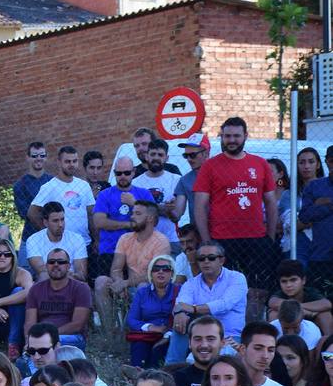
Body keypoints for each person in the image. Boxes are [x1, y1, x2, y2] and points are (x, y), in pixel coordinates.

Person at [194, 116, 281, 291]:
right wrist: (206, 241)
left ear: (245, 136)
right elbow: (200, 206)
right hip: (222, 239)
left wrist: (270, 237)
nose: (231, 140)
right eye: (227, 136)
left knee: (258, 289)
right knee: (224, 289)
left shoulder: (260, 164)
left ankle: (255, 319)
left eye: (236, 136)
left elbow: (271, 203)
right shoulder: (210, 166)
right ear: (221, 136)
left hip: (257, 238)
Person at [96, 201, 170, 318]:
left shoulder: (161, 242)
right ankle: (110, 333)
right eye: (132, 213)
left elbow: (154, 275)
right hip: (128, 287)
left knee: (143, 287)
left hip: (151, 289)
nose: (132, 216)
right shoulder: (125, 238)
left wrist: (125, 283)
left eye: (137, 213)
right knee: (101, 282)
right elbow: (116, 269)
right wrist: (119, 283)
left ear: (150, 218)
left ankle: (138, 331)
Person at [23, 247, 91, 349]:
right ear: (46, 266)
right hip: (41, 338)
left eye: (61, 262)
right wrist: (29, 340)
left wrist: (49, 336)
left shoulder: (81, 288)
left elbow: (78, 324)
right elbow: (29, 323)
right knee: (22, 363)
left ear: (68, 266)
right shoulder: (35, 289)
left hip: (71, 337)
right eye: (51, 262)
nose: (55, 265)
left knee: (47, 347)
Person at [28, 146, 95, 251]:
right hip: (60, 246)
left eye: (74, 161)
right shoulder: (49, 187)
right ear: (59, 162)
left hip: (84, 243)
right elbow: (32, 213)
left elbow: (91, 214)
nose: (71, 165)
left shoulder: (84, 186)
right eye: (67, 161)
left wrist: (96, 239)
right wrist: (48, 231)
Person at [124, 255, 178, 367]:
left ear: (172, 273)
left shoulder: (180, 290)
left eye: (166, 268)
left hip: (171, 334)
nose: (161, 272)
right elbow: (132, 319)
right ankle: (137, 377)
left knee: (158, 353)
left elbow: (185, 317)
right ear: (151, 273)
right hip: (148, 334)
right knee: (139, 350)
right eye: (156, 269)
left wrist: (167, 333)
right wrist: (150, 327)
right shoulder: (142, 293)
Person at [130, 137, 183, 245]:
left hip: (171, 241)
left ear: (166, 158)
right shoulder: (135, 183)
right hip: (144, 241)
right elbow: (137, 214)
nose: (156, 158)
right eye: (153, 154)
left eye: (160, 155)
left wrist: (147, 208)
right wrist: (163, 209)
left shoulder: (176, 180)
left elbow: (176, 215)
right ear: (146, 156)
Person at [24, 203, 89, 280]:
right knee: (43, 276)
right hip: (48, 282)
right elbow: (41, 270)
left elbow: (81, 273)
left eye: (62, 219)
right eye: (55, 221)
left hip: (72, 282)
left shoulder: (77, 239)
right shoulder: (33, 240)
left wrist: (69, 276)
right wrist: (67, 274)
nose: (60, 224)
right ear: (45, 222)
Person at [267, 260, 333, 335]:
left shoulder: (310, 292)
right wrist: (306, 312)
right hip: (287, 326)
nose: (288, 285)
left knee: (325, 314)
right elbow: (273, 302)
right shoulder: (280, 294)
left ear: (303, 280)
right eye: (284, 281)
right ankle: (273, 341)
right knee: (273, 313)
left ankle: (329, 342)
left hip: (310, 324)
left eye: (293, 280)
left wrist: (297, 308)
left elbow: (327, 304)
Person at [13, 141, 51, 241]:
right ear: (28, 158)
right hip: (30, 237)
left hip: (54, 236)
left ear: (46, 157)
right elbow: (24, 213)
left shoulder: (53, 182)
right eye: (34, 156)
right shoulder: (20, 185)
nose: (38, 158)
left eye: (42, 155)